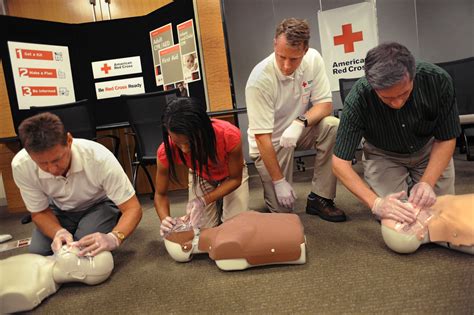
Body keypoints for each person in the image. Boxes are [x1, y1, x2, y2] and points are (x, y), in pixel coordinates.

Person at [332, 42, 461, 223]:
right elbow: (339, 163)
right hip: (383, 154)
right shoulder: (358, 99)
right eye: (387, 98)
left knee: (441, 216)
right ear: (373, 86)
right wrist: (375, 203)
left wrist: (427, 182)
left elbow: (446, 138)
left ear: (413, 76)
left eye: (404, 93)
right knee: (396, 219)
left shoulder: (437, 80)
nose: (397, 103)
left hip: (428, 149)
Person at [245, 18, 345, 221]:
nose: (286, 65)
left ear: (305, 50)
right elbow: (262, 138)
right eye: (281, 56)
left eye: (294, 59)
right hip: (270, 145)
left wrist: (300, 122)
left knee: (332, 126)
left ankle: (320, 197)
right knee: (283, 215)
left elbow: (325, 105)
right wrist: (278, 181)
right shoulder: (259, 81)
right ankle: (273, 188)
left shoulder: (313, 59)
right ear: (274, 44)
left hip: (297, 132)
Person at [12, 112, 142, 256]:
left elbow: (132, 208)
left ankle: (109, 219)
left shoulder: (99, 158)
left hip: (99, 204)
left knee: (84, 248)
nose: (52, 169)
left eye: (57, 160)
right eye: (42, 163)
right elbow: (39, 212)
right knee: (39, 252)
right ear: (30, 155)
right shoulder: (21, 165)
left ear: (69, 140)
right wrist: (57, 232)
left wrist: (115, 237)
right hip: (58, 207)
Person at [156, 97, 249, 236]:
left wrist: (204, 200)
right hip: (201, 174)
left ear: (203, 130)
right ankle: (217, 204)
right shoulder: (165, 150)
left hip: (230, 175)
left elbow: (235, 179)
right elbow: (160, 194)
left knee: (234, 230)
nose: (185, 150)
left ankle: (220, 203)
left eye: (189, 142)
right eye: (177, 143)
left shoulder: (228, 134)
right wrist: (165, 220)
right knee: (202, 232)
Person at [163, 211, 306, 271]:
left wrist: (204, 200)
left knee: (248, 219)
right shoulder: (222, 246)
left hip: (230, 177)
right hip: (294, 238)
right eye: (180, 226)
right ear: (186, 247)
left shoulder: (221, 234)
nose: (182, 221)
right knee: (247, 226)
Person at [0, 245, 114, 313]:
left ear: (78, 275)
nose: (75, 247)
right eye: (82, 248)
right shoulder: (37, 258)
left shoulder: (28, 291)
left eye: (85, 257)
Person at [380, 194, 474, 255]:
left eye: (400, 209)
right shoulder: (456, 232)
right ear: (420, 235)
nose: (407, 206)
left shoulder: (430, 206)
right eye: (401, 221)